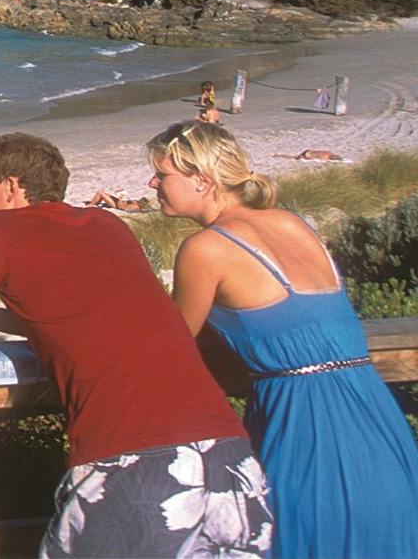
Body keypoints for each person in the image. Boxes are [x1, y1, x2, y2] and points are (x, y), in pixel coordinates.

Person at [0, 133, 269, 557]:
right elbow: (88, 314)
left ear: (13, 187)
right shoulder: (105, 225)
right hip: (226, 451)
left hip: (133, 457)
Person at [147, 120, 418, 558]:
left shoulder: (206, 249)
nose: (152, 182)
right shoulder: (294, 223)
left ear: (202, 179)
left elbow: (167, 349)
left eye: (162, 174)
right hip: (373, 413)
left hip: (305, 427)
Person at [83, 188, 154, 212]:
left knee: (100, 193)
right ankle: (94, 202)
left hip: (116, 205)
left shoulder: (135, 207)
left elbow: (121, 207)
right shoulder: (136, 203)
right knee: (104, 193)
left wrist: (120, 199)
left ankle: (91, 204)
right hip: (119, 201)